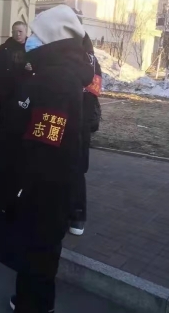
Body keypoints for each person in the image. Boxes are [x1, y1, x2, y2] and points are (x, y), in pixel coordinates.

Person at [0, 5, 94, 313]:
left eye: (35, 34)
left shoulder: (55, 82)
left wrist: (20, 189)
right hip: (45, 186)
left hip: (41, 189)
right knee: (38, 252)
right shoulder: (55, 75)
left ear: (51, 39)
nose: (29, 38)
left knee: (38, 252)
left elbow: (45, 144)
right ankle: (29, 301)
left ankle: (34, 305)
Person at [69, 33, 102, 236]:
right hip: (62, 120)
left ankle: (77, 213)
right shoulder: (57, 56)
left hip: (79, 123)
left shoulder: (91, 61)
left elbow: (94, 91)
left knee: (76, 170)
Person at [0, 21, 32, 151]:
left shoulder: (32, 47)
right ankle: (1, 144)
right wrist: (0, 85)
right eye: (14, 31)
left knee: (21, 120)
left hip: (24, 91)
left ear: (26, 32)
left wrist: (30, 68)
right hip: (6, 91)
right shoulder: (5, 47)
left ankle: (20, 146)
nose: (17, 34)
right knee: (4, 119)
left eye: (20, 31)